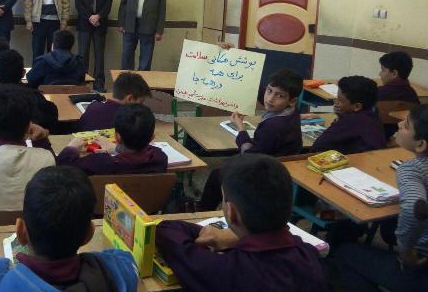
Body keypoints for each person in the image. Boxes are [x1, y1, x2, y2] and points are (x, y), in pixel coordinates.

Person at [0, 166, 138, 291]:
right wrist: (92, 262)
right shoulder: (114, 275)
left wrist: (6, 266)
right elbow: (126, 260)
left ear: (21, 232)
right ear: (89, 234)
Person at [156, 154, 326, 292]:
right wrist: (236, 237)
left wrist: (225, 236)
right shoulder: (310, 255)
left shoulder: (225, 270)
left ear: (231, 213)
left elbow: (165, 230)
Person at [335, 104, 428, 292]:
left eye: (406, 125)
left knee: (343, 253)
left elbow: (414, 208)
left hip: (421, 268)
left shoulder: (412, 170)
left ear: (420, 144)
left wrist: (406, 252)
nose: (399, 124)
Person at [199, 68, 303, 210]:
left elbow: (249, 157)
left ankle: (202, 211)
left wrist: (240, 128)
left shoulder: (273, 126)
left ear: (292, 101)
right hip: (279, 168)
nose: (270, 99)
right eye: (269, 91)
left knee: (217, 175)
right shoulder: (292, 112)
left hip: (265, 174)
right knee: (225, 166)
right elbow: (259, 90)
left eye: (280, 96)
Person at [57, 103, 167, 175]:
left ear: (117, 137)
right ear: (152, 137)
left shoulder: (101, 163)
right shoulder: (159, 158)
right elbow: (141, 154)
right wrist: (116, 148)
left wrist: (71, 148)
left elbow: (62, 167)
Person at [311, 75, 386, 154]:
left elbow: (318, 146)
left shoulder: (351, 120)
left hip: (357, 160)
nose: (335, 102)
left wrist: (340, 119)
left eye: (340, 100)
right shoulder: (372, 114)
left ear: (357, 106)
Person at [117, 0, 166, 71]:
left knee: (146, 59)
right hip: (130, 24)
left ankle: (142, 82)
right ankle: (126, 81)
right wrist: (121, 23)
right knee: (126, 57)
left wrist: (159, 30)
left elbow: (162, 9)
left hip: (149, 26)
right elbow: (123, 3)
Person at [75, 0, 112, 92]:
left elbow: (108, 4)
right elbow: (78, 4)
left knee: (99, 56)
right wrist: (90, 17)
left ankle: (99, 85)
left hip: (100, 25)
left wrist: (98, 16)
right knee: (83, 56)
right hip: (84, 25)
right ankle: (82, 85)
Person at [78, 71, 151, 131]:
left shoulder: (92, 107)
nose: (142, 106)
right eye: (141, 102)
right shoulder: (130, 121)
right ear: (129, 98)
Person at [378, 51, 420, 138]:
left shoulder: (378, 93)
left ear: (394, 73)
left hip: (379, 137)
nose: (380, 73)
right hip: (404, 139)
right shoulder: (412, 94)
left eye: (383, 70)